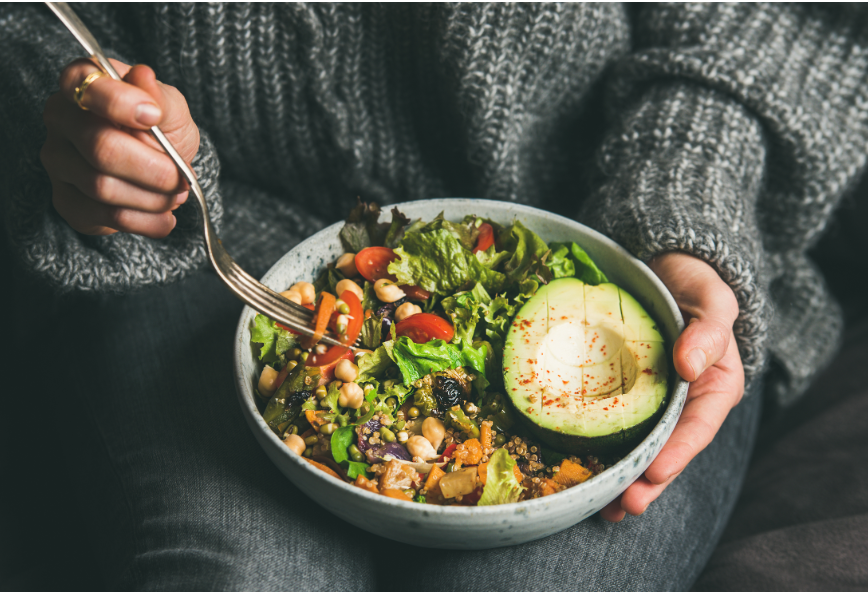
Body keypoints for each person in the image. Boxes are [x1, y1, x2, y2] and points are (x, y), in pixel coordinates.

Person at [1, 3, 863, 590]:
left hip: (620, 244)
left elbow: (781, 21)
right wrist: (83, 124)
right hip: (185, 250)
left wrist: (685, 191)